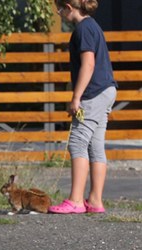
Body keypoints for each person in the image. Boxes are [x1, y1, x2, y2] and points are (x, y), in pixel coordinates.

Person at [49, 0, 116, 214]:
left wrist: (76, 97)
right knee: (95, 145)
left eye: (59, 9)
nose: (58, 14)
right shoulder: (92, 25)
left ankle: (76, 200)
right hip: (105, 89)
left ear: (69, 7)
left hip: (93, 92)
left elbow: (89, 64)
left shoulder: (83, 29)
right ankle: (95, 201)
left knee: (77, 141)